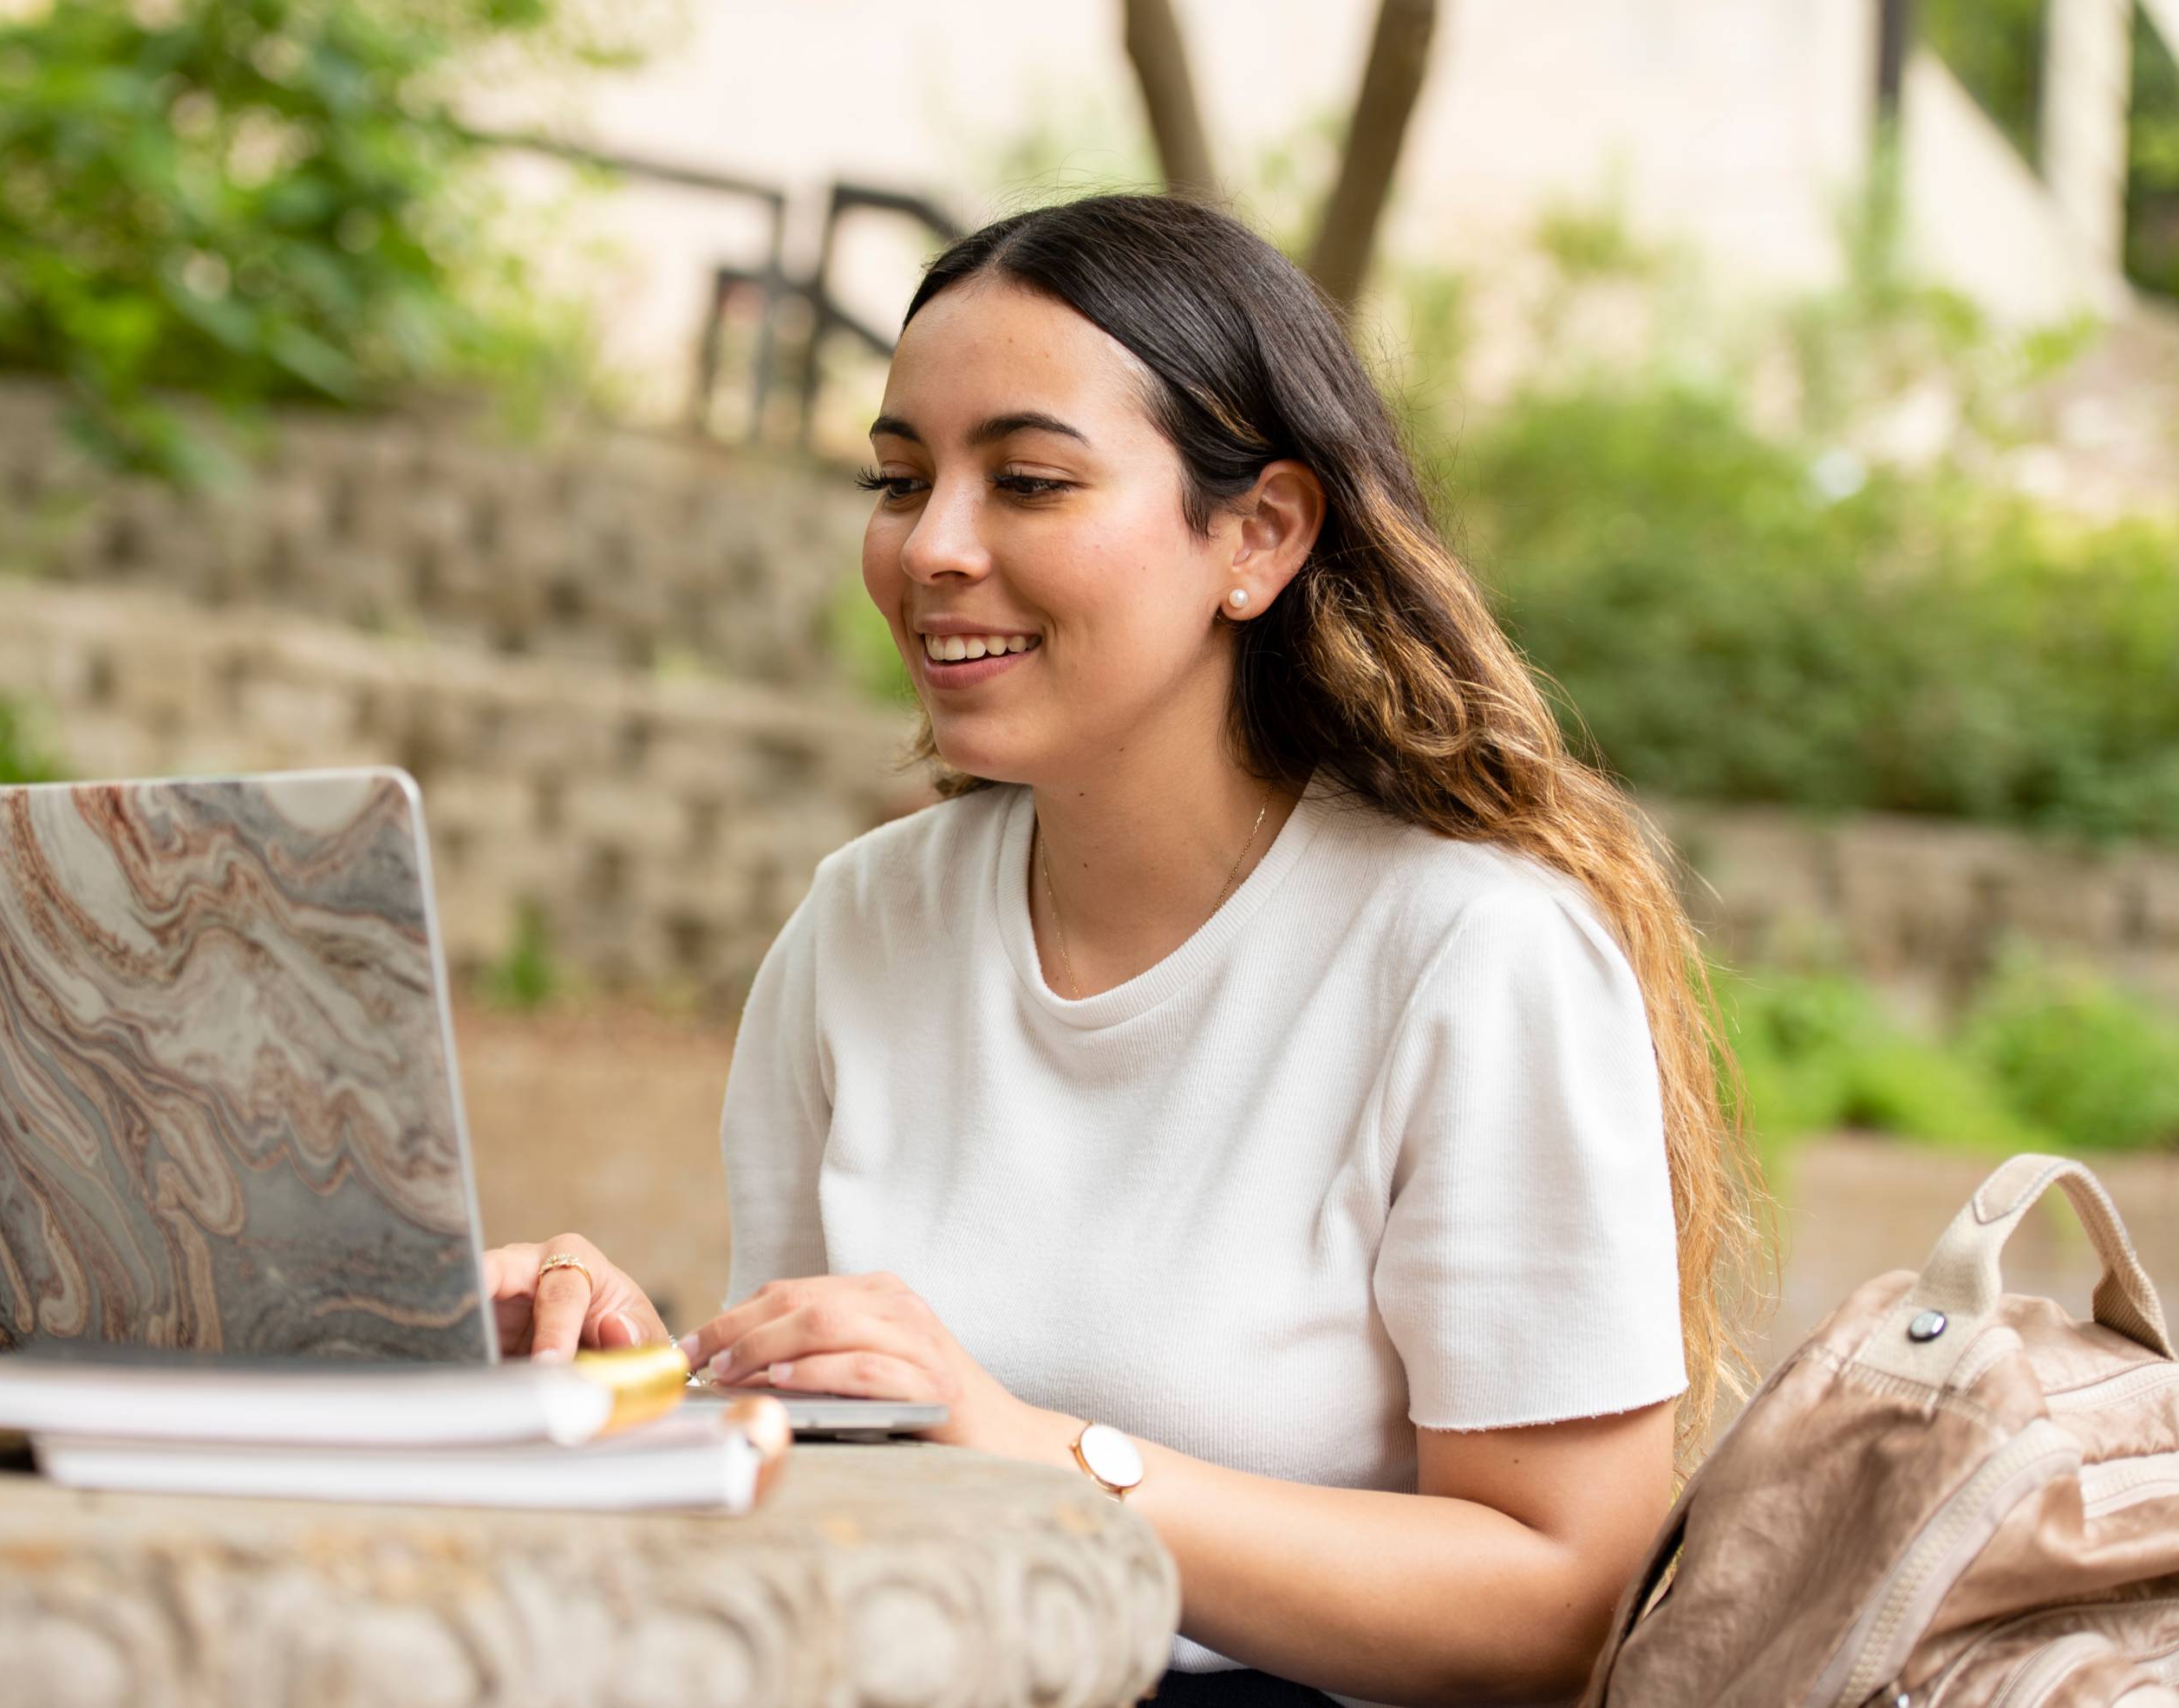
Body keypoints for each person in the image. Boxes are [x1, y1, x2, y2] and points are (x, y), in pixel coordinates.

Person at [482, 192, 1764, 1708]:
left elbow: (1558, 1599)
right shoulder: (862, 924)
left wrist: (1030, 1447)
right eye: (899, 480)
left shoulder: (1472, 956)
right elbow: (821, 1460)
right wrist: (617, 1378)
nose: (932, 547)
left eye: (1026, 480)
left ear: (1258, 534)